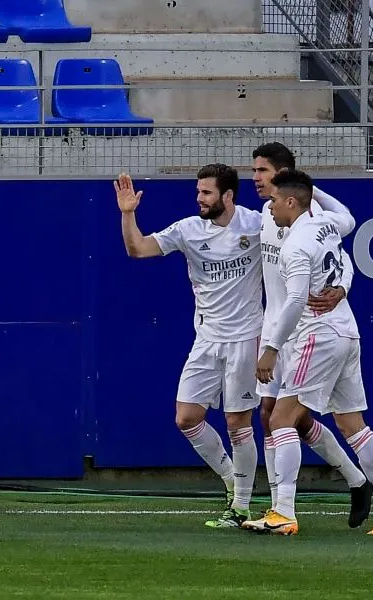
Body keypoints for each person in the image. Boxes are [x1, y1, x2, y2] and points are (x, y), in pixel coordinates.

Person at [244, 170, 373, 536]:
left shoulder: (296, 244)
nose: (269, 207)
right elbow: (348, 217)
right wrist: (313, 190)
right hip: (347, 332)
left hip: (318, 336)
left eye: (274, 200)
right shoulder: (326, 224)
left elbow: (297, 299)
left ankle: (283, 511)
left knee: (281, 420)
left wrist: (270, 350)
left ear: (290, 201)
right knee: (353, 425)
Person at [116, 164, 261, 528]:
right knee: (186, 417)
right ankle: (231, 479)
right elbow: (137, 249)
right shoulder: (188, 230)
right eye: (198, 191)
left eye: (207, 193)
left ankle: (241, 506)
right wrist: (128, 214)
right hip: (206, 339)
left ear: (227, 196)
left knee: (236, 422)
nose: (199, 198)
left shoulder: (257, 224)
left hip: (246, 338)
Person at [251, 142, 373, 527]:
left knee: (282, 416)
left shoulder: (310, 216)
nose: (256, 178)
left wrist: (344, 286)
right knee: (279, 415)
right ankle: (355, 480)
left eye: (264, 171)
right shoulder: (266, 214)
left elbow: (343, 253)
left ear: (285, 178)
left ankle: (282, 509)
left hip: (304, 330)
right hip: (278, 325)